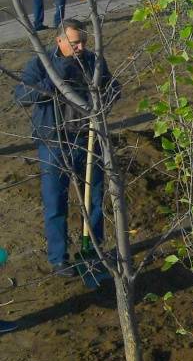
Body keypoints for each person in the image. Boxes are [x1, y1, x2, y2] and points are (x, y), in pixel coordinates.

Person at [13, 19, 120, 273]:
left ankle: (92, 250)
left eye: (83, 41)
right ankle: (59, 258)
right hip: (53, 142)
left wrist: (105, 99)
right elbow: (21, 96)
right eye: (75, 43)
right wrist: (56, 78)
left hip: (87, 139)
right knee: (55, 202)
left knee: (94, 198)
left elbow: (114, 88)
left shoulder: (93, 62)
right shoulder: (42, 64)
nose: (81, 47)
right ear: (59, 41)